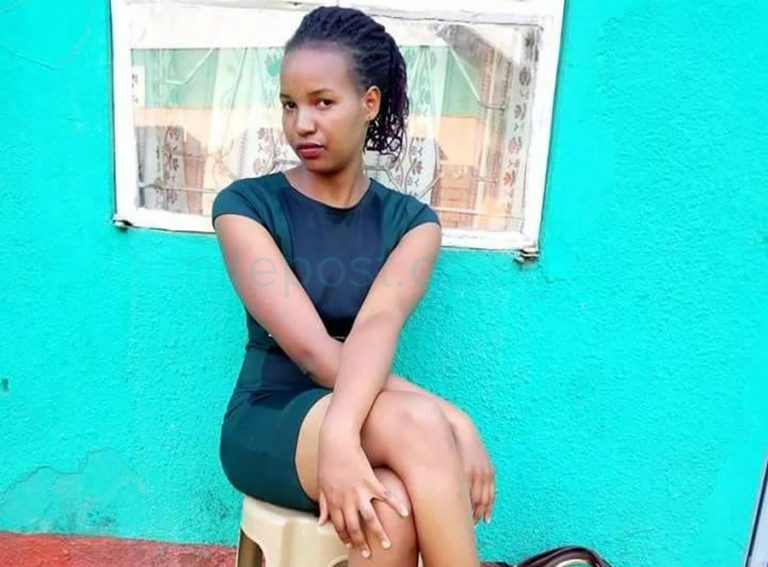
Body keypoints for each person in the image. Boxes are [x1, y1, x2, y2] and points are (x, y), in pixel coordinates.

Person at [211, 7, 495, 566]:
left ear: (369, 103)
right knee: (420, 426)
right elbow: (314, 352)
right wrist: (443, 418)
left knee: (392, 509)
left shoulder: (411, 224)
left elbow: (376, 326)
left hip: (364, 411)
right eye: (289, 104)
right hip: (270, 416)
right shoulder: (245, 207)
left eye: (323, 102)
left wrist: (428, 419)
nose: (302, 124)